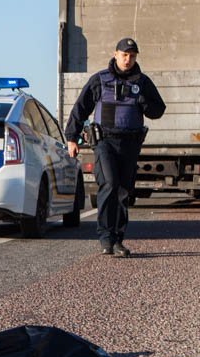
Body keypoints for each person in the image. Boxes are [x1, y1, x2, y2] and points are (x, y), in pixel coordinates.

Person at [65, 37, 166, 257]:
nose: (128, 59)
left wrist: (144, 103)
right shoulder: (100, 80)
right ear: (115, 54)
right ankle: (105, 238)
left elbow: (158, 110)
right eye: (124, 55)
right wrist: (71, 137)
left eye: (132, 56)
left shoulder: (142, 82)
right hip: (105, 142)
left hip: (130, 143)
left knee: (123, 191)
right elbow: (80, 108)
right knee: (109, 184)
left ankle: (118, 240)